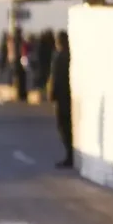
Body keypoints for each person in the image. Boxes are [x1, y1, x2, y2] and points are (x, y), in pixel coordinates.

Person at [49, 30, 72, 168]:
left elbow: (56, 77)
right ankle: (70, 155)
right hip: (67, 96)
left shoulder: (59, 57)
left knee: (64, 127)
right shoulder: (69, 56)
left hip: (62, 97)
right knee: (66, 126)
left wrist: (52, 93)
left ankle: (69, 155)